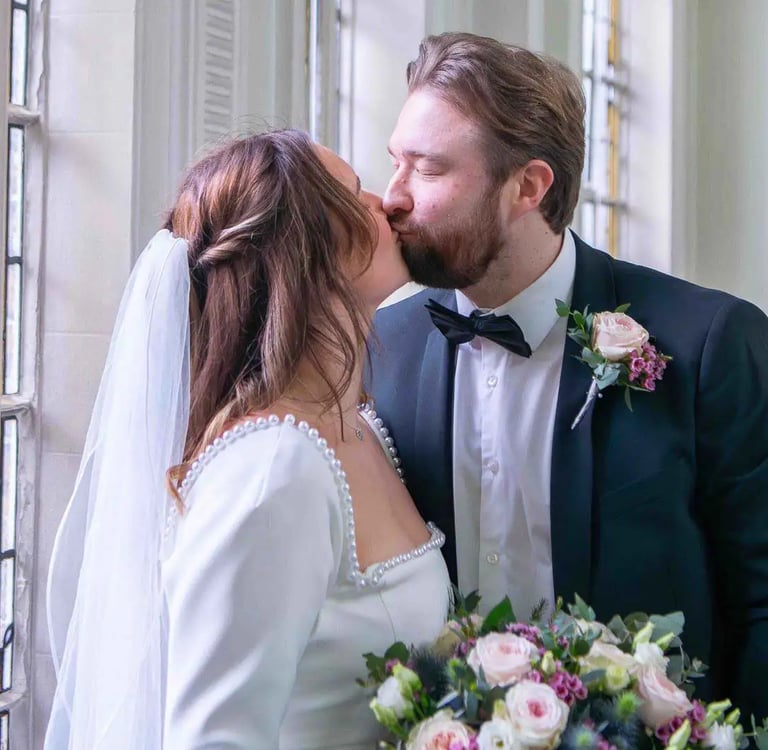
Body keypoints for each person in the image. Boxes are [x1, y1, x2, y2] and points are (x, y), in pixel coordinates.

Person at [369, 32, 768, 719]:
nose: (392, 198)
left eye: (428, 170)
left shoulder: (709, 345)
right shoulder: (380, 349)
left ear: (528, 186)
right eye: (394, 163)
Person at [45, 129, 450, 750]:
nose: (387, 203)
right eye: (356, 192)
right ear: (305, 249)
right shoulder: (272, 471)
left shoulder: (359, 429)